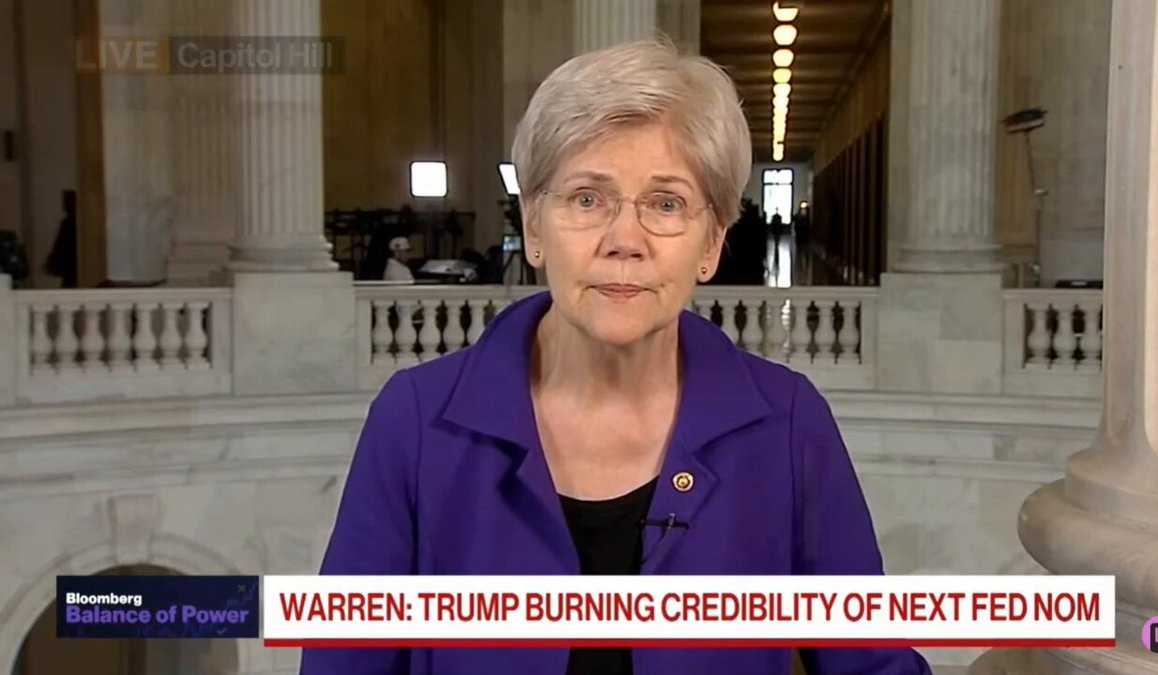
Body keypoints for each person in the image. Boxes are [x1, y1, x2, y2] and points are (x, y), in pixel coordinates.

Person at [301, 40, 929, 675]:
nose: (625, 241)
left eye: (666, 203)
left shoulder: (788, 424)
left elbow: (872, 664)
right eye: (587, 198)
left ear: (711, 243)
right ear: (535, 227)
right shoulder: (414, 421)